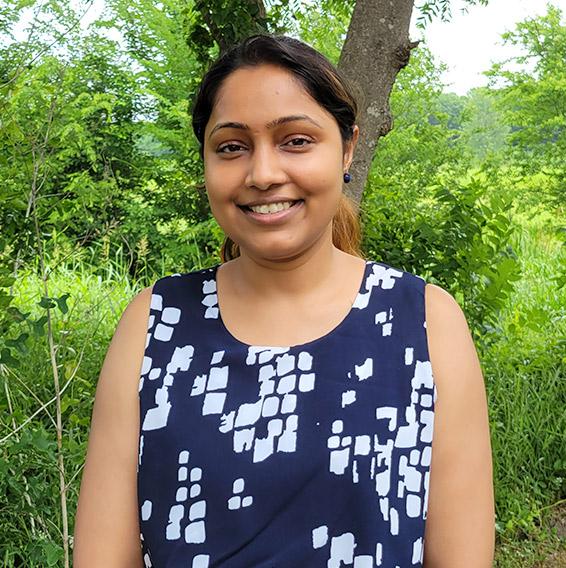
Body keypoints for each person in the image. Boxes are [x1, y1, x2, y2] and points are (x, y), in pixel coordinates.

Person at [73, 34, 494, 567]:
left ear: (347, 148)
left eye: (295, 141)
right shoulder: (155, 324)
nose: (264, 174)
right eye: (231, 147)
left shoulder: (425, 323)